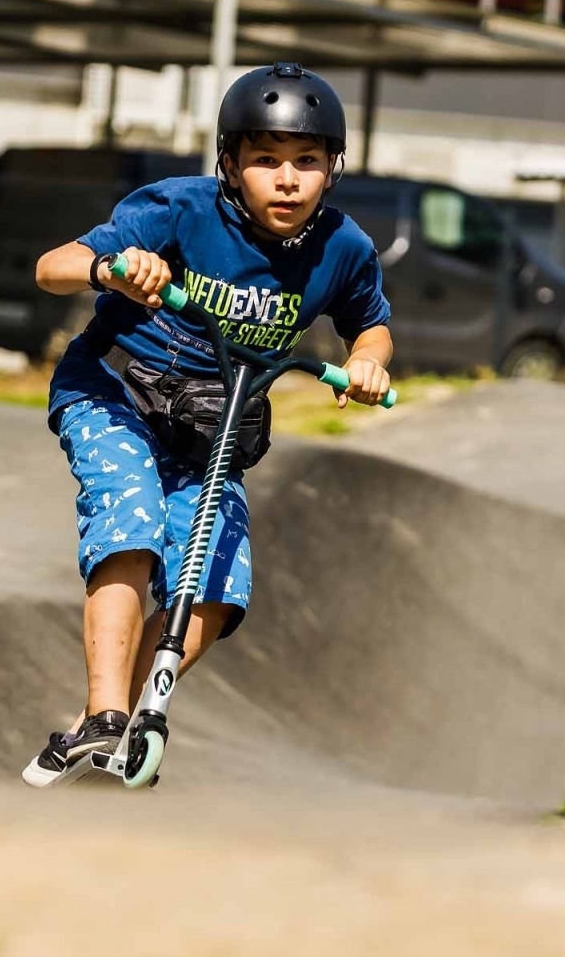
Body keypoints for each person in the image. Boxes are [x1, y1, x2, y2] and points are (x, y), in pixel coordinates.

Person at [22, 61, 394, 787]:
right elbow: (51, 266)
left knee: (220, 587)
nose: (287, 179)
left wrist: (368, 363)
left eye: (307, 162)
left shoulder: (343, 249)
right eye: (265, 161)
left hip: (211, 427)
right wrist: (112, 272)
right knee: (130, 519)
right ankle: (104, 716)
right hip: (115, 393)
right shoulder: (179, 210)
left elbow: (371, 328)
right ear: (230, 164)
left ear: (333, 170)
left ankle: (108, 725)